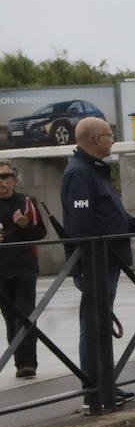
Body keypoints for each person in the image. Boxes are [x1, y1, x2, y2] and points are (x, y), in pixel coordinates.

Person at [61, 117, 135, 409]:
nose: (113, 139)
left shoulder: (95, 170)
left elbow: (109, 214)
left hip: (107, 259)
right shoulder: (80, 174)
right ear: (93, 140)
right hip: (95, 262)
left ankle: (105, 384)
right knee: (93, 326)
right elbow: (82, 225)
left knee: (100, 325)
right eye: (109, 135)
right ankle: (95, 390)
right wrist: (98, 251)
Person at [0, 161, 46, 378]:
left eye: (5, 177)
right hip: (1, 271)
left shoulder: (26, 202)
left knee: (25, 316)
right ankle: (20, 362)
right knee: (10, 319)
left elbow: (40, 233)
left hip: (24, 269)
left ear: (14, 180)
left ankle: (28, 363)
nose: (1, 182)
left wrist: (25, 226)